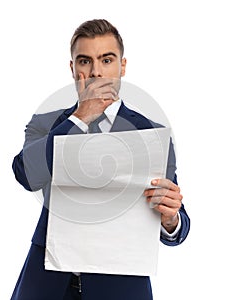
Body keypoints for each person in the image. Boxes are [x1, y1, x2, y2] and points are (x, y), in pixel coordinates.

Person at [11, 19, 190, 300]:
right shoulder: (46, 124)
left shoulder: (153, 134)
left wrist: (170, 218)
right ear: (72, 68)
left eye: (106, 60)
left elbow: (177, 225)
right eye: (85, 61)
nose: (95, 72)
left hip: (120, 286)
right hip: (46, 284)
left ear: (122, 66)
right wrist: (80, 117)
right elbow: (26, 174)